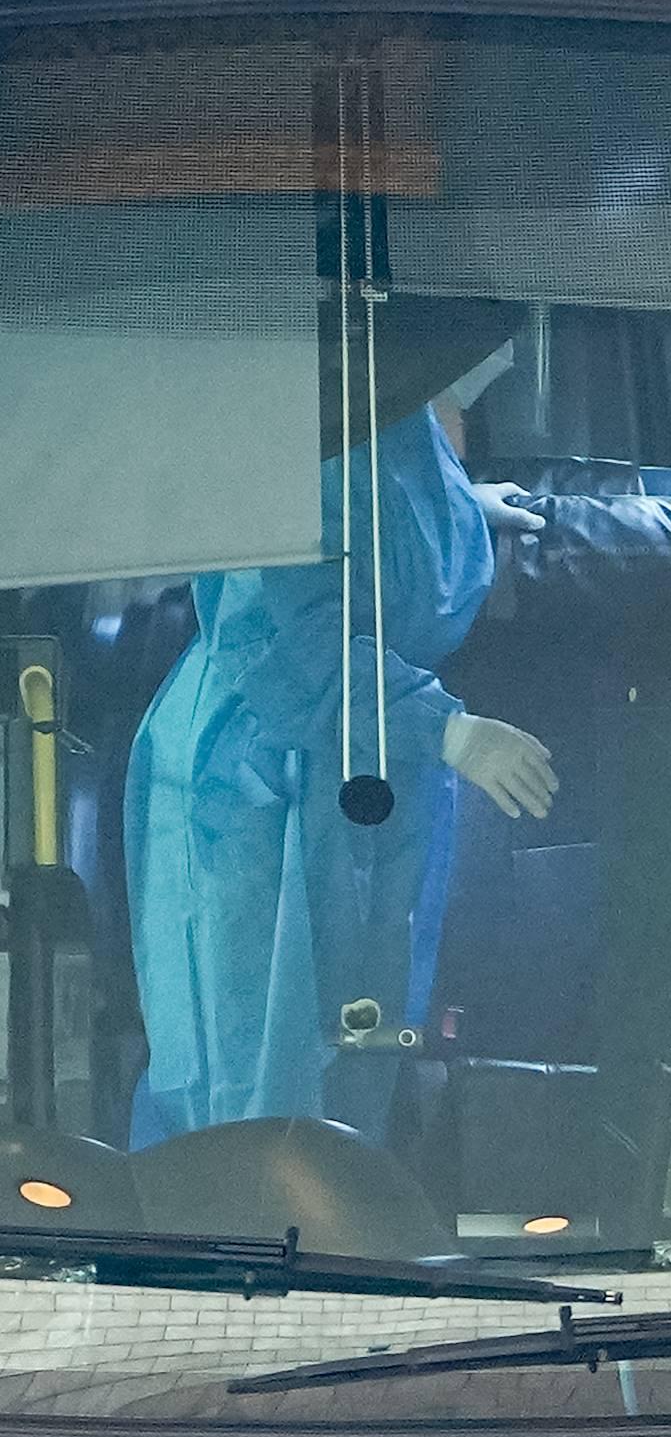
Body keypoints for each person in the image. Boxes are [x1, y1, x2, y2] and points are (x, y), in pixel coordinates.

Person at [127, 299, 560, 1143]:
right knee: (250, 1069)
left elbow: (372, 508)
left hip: (350, 760)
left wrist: (461, 506)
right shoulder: (310, 408)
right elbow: (296, 638)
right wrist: (448, 730)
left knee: (347, 1050)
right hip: (258, 777)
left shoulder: (390, 408)